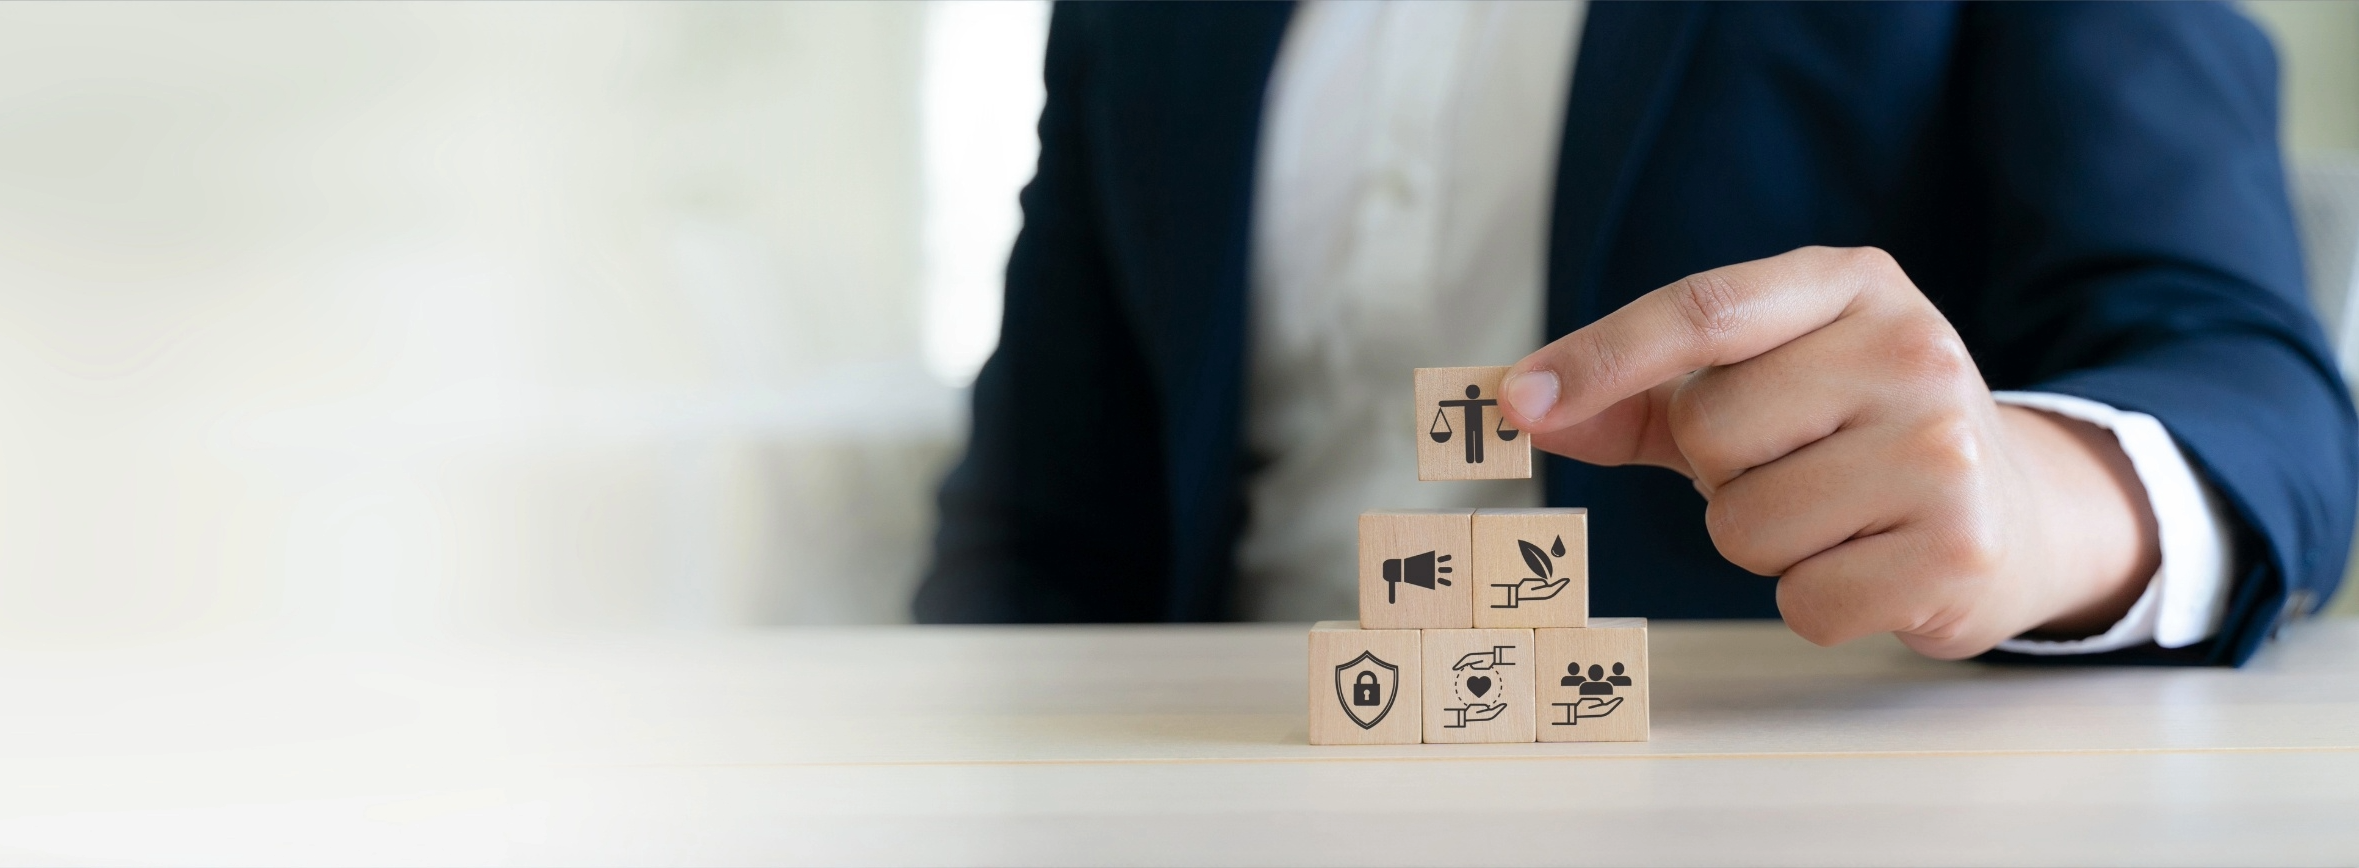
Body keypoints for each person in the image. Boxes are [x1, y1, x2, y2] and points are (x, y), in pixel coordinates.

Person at [913, 1, 2358, 666]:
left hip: (1775, 796)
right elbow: (1033, 528)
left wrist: (2040, 498)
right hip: (1206, 790)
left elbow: (2251, 378)